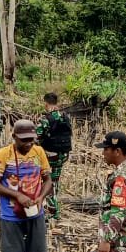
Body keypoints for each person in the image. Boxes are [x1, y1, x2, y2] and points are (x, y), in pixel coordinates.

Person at [0, 119, 53, 252]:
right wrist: (18, 196)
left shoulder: (39, 152)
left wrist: (41, 197)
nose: (28, 144)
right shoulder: (3, 154)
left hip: (35, 212)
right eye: (24, 140)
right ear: (14, 136)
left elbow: (48, 180)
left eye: (31, 139)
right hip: (11, 214)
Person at [35, 92, 73, 221]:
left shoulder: (46, 119)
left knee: (46, 182)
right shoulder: (65, 116)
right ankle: (53, 207)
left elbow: (37, 136)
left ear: (46, 103)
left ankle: (52, 211)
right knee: (54, 181)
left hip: (51, 155)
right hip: (64, 154)